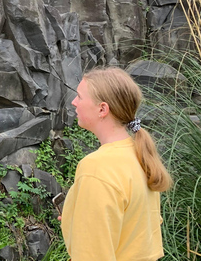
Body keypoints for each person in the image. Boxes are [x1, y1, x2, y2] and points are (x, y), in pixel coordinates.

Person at [61, 66, 172, 261]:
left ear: (102, 109)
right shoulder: (140, 155)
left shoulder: (97, 168)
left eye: (80, 96)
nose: (74, 102)